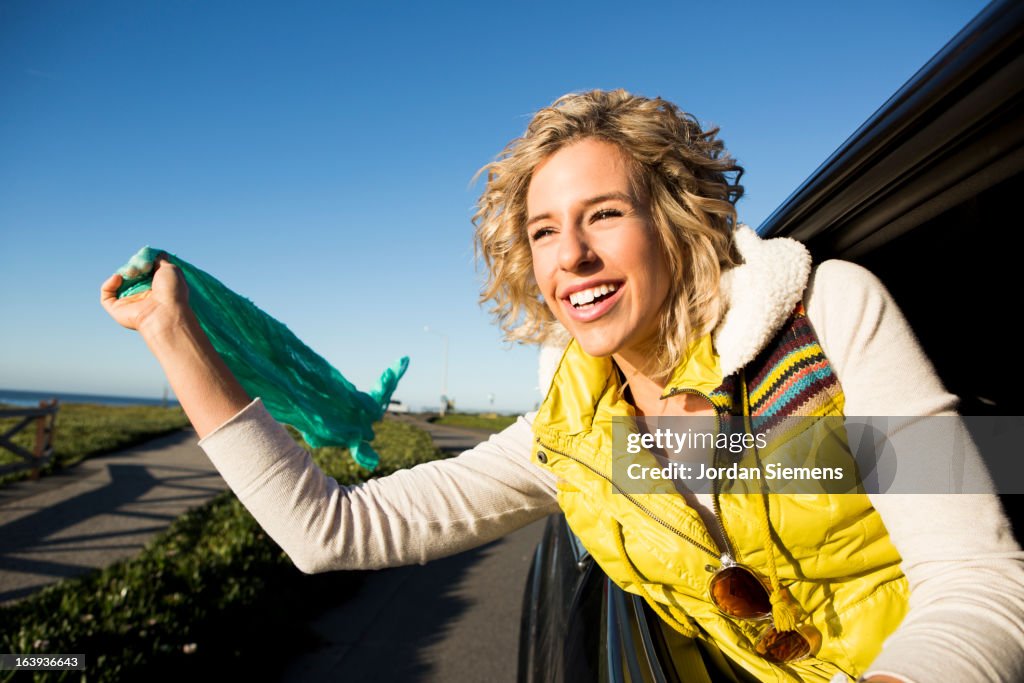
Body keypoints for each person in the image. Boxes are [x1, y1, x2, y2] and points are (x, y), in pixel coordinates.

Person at [101, 90, 1024, 682]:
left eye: (604, 215)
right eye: (544, 231)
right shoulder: (575, 433)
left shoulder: (826, 318)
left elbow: (980, 581)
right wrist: (176, 338)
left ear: (674, 222)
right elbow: (329, 532)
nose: (571, 255)